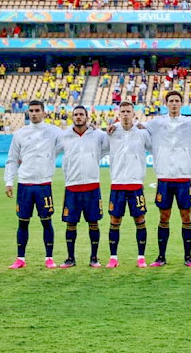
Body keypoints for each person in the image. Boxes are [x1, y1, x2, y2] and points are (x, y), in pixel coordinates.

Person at [141, 91, 191, 267]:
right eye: (171, 101)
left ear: (181, 103)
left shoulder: (190, 122)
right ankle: (161, 257)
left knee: (186, 216)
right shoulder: (157, 123)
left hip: (184, 177)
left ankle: (188, 257)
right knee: (164, 217)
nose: (174, 104)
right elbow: (135, 126)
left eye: (177, 101)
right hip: (164, 177)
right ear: (166, 103)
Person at [4, 100, 63, 269]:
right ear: (28, 113)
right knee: (23, 222)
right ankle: (20, 258)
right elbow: (12, 159)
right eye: (31, 110)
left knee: (46, 221)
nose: (34, 113)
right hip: (24, 184)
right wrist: (9, 181)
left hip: (44, 184)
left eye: (37, 110)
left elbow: (71, 139)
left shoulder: (54, 132)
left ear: (44, 112)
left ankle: (49, 258)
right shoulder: (20, 134)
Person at [56, 106, 109, 268]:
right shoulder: (64, 136)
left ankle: (94, 258)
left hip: (92, 185)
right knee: (70, 223)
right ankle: (70, 258)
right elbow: (50, 151)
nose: (79, 117)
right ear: (73, 117)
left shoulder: (98, 135)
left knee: (94, 223)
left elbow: (111, 145)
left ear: (87, 117)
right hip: (72, 186)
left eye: (81, 115)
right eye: (76, 115)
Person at [106, 102, 152, 268]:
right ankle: (113, 257)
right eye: (123, 111)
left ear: (134, 114)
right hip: (117, 183)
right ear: (119, 114)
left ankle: (141, 257)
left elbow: (156, 147)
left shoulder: (142, 133)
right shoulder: (111, 132)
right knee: (115, 220)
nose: (125, 114)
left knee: (139, 219)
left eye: (128, 111)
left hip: (135, 184)